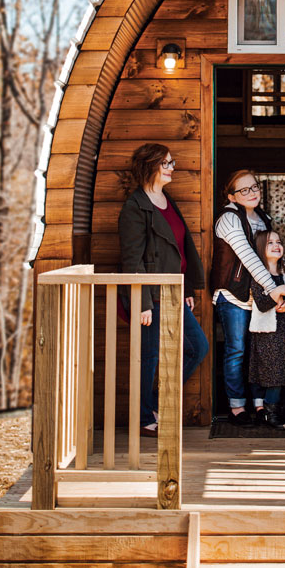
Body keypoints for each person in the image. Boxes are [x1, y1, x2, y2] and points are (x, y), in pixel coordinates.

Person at [118, 143, 209, 437]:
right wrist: (141, 302)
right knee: (150, 357)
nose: (172, 167)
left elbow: (176, 248)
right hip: (151, 297)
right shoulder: (135, 207)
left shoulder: (165, 199)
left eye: (172, 162)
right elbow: (132, 259)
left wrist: (186, 288)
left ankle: (156, 404)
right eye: (167, 163)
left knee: (198, 348)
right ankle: (144, 417)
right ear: (150, 165)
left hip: (173, 293)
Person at [209, 170, 285, 426]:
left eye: (254, 187)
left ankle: (260, 405)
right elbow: (247, 256)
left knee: (260, 352)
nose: (252, 193)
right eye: (243, 190)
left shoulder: (263, 218)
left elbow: (270, 258)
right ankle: (237, 408)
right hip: (233, 295)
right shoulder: (228, 219)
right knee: (236, 350)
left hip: (259, 296)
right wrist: (272, 289)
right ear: (231, 196)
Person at [248, 230, 285, 429]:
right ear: (260, 249)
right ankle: (269, 413)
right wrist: (277, 292)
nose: (276, 245)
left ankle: (282, 410)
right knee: (275, 373)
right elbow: (262, 304)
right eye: (269, 243)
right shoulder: (257, 274)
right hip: (268, 331)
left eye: (278, 242)